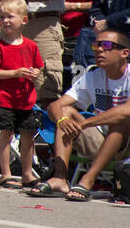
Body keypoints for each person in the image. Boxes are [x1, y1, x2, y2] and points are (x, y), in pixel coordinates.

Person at [33, 25, 130, 200]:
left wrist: (85, 123)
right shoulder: (93, 76)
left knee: (121, 120)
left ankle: (88, 179)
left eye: (106, 45)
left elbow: (126, 111)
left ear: (124, 53)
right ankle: (60, 178)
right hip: (102, 140)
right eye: (96, 45)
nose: (99, 49)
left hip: (126, 143)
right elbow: (55, 106)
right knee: (66, 112)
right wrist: (62, 119)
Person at [0, 0, 44, 189]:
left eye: (10, 16)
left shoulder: (31, 45)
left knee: (28, 136)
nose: (5, 21)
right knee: (6, 134)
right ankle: (6, 173)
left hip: (26, 99)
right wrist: (16, 73)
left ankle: (27, 172)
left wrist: (35, 72)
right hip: (4, 99)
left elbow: (38, 66)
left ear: (24, 20)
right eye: (2, 17)